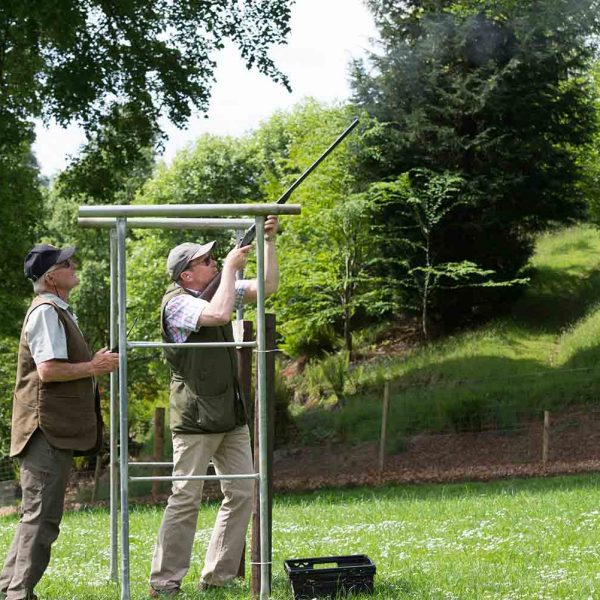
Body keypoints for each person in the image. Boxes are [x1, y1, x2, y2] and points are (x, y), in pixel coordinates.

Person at [149, 216, 279, 597]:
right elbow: (219, 315)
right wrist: (231, 269)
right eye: (204, 261)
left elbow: (268, 287)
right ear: (186, 276)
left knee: (242, 494)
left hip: (228, 414)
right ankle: (164, 582)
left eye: (212, 259)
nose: (214, 262)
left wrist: (269, 243)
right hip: (193, 419)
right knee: (185, 498)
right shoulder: (175, 305)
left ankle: (218, 577)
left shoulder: (218, 288)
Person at [0, 244, 119, 600]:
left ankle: (8, 589)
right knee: (42, 521)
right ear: (52, 277)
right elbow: (49, 371)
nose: (75, 265)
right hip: (44, 431)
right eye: (67, 263)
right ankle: (20, 595)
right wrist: (94, 367)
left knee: (33, 518)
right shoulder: (47, 312)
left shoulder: (55, 310)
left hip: (48, 430)